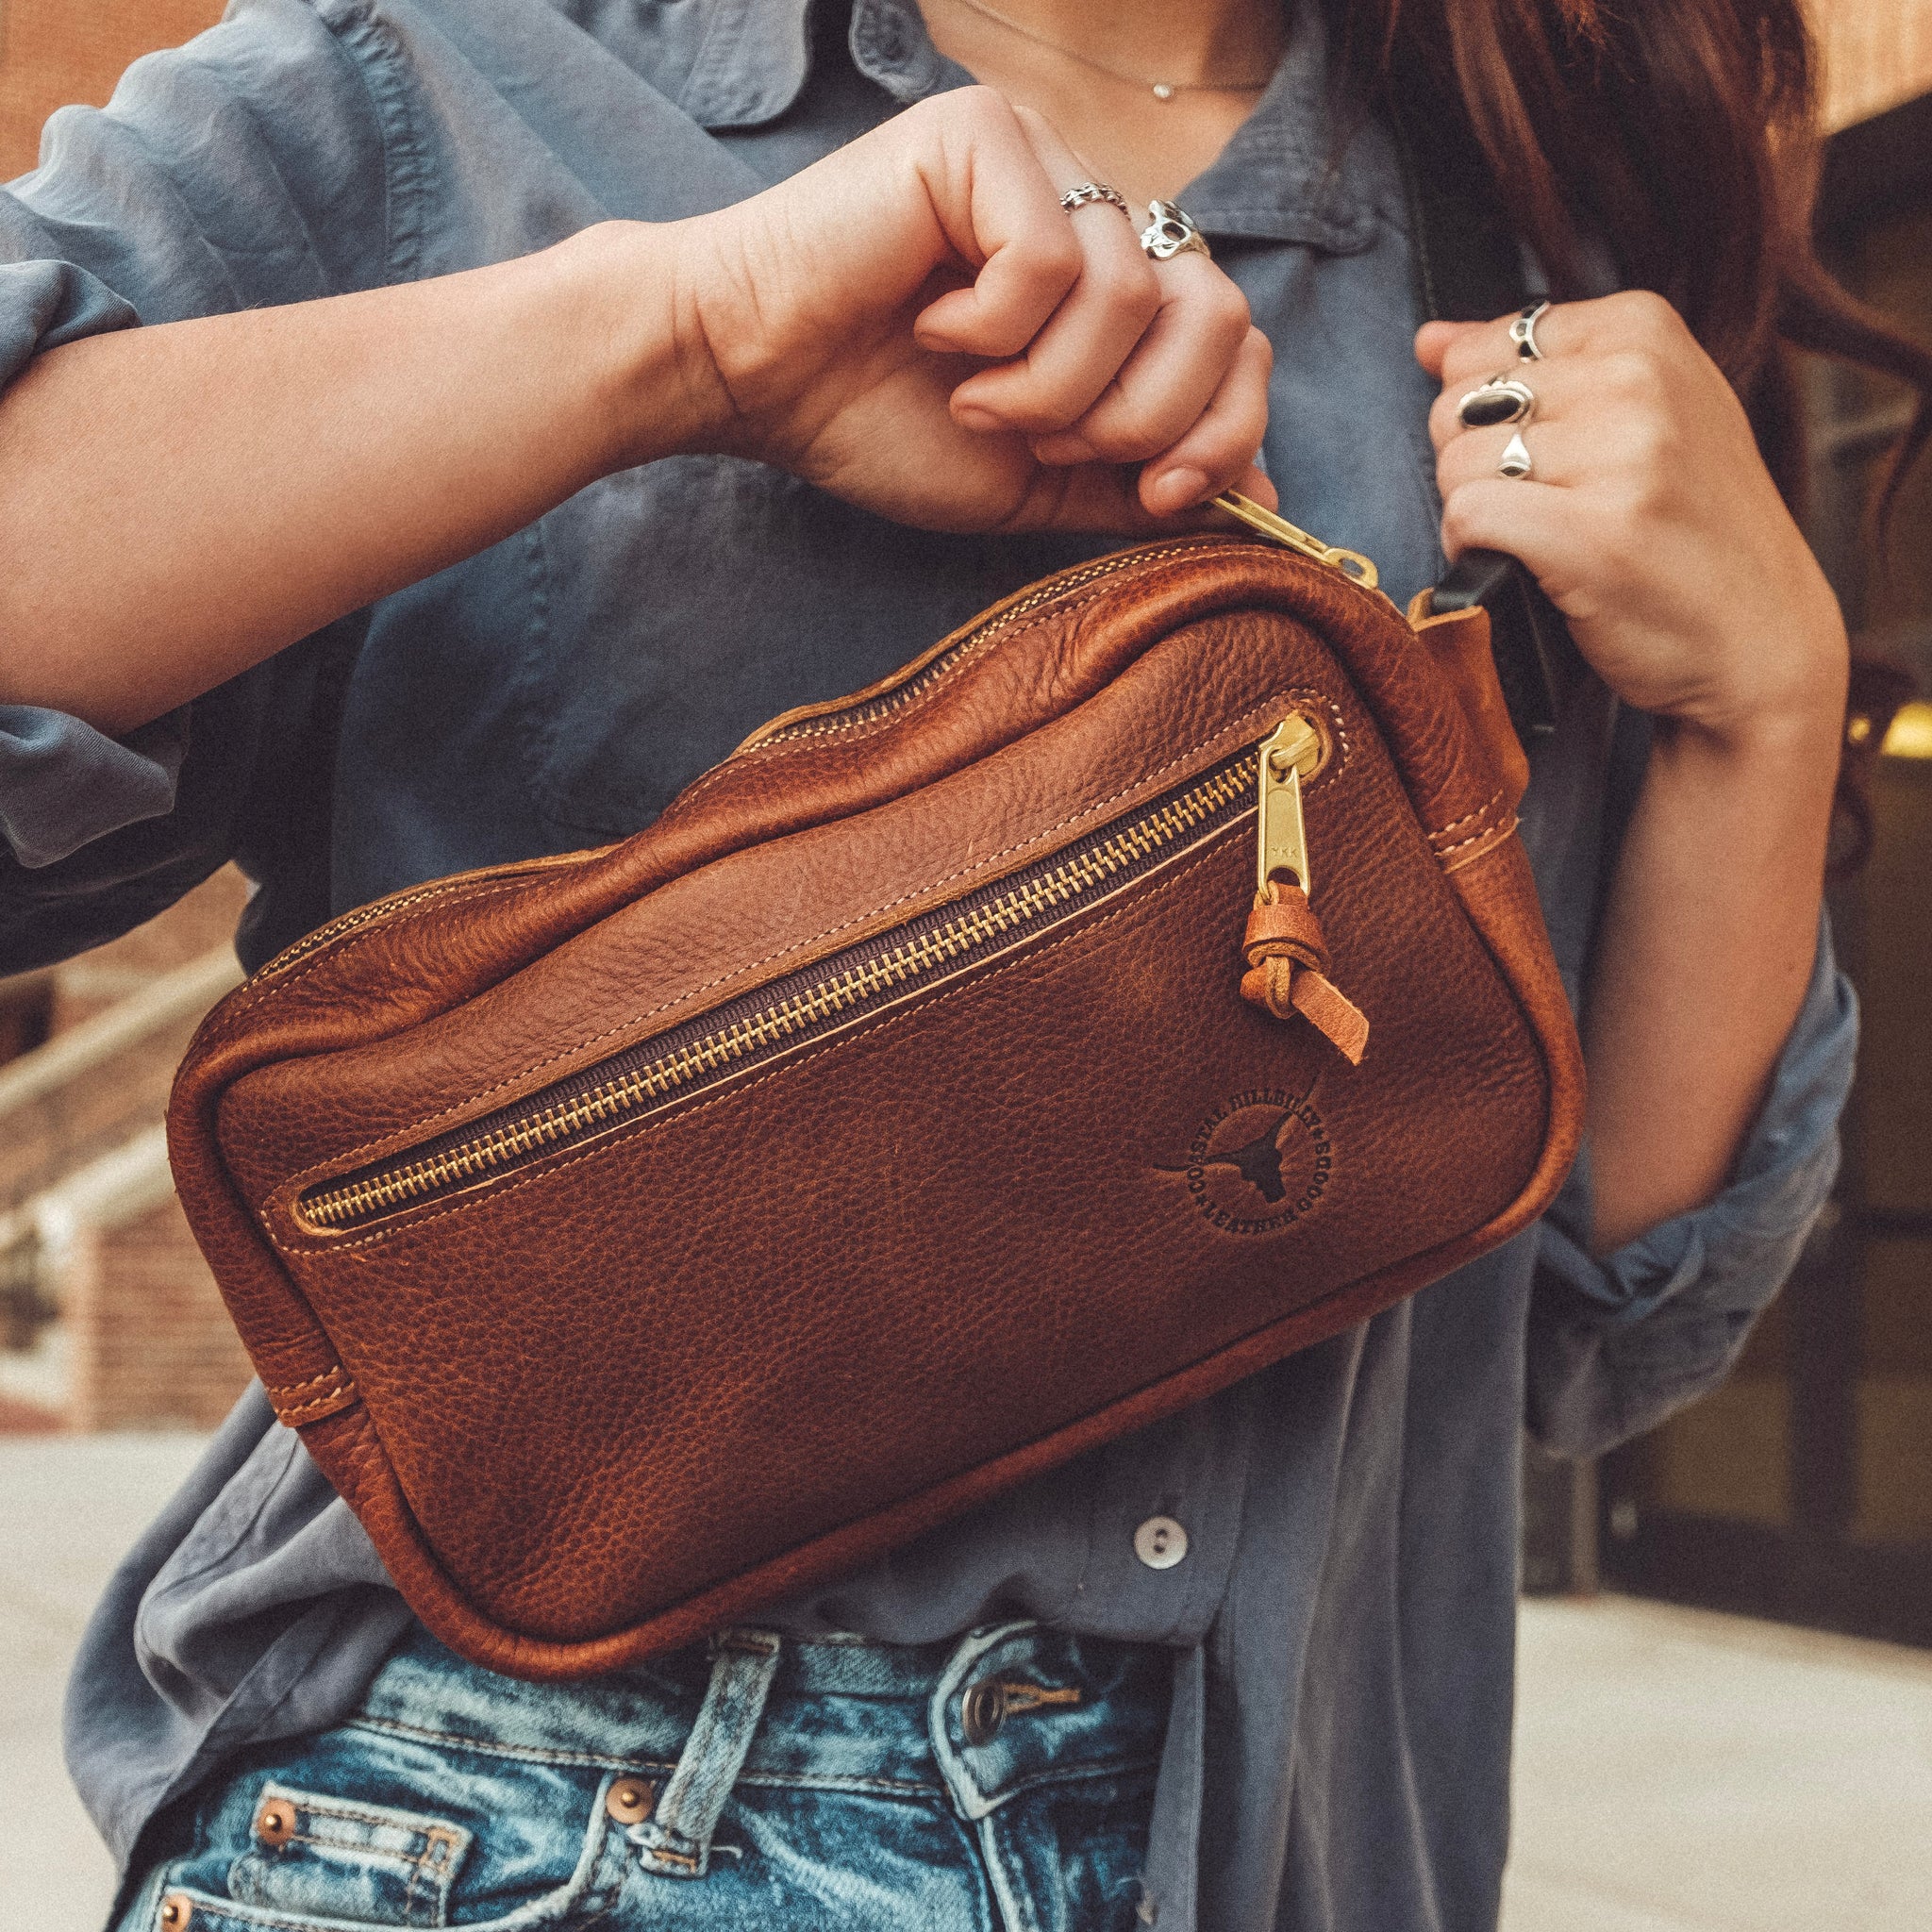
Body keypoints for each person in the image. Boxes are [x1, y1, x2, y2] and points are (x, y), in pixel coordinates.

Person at [0, 1, 1919, 1926]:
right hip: (518, 1805)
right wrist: (678, 337)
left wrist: (1767, 698)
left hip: (1288, 1838)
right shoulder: (442, 79)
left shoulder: (1533, 240)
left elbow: (1593, 1321)